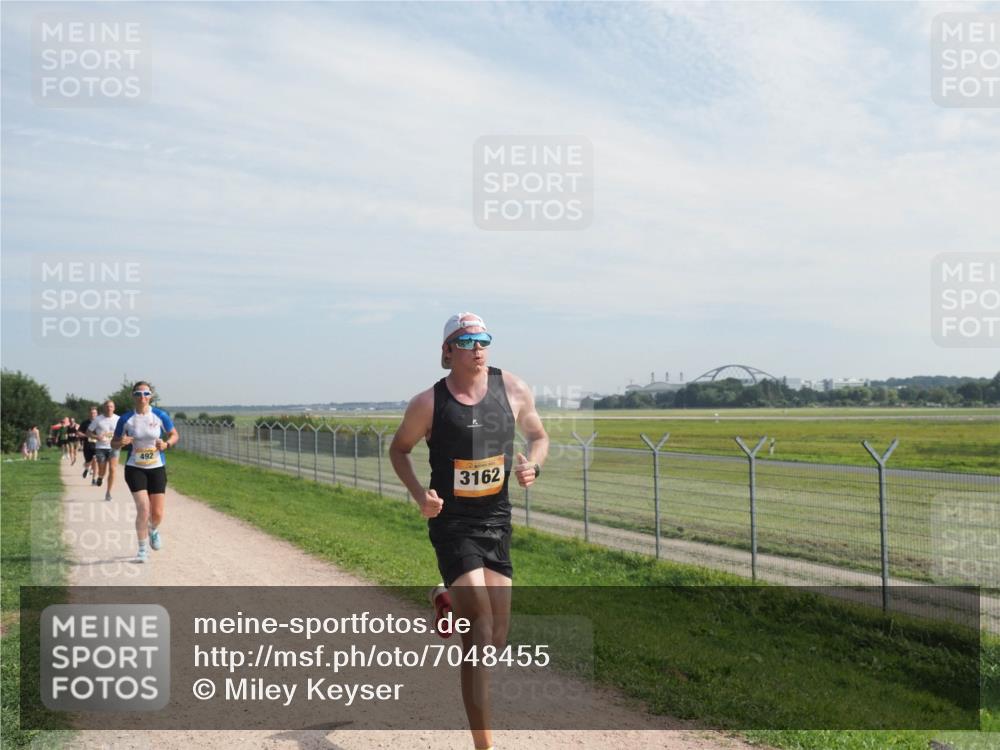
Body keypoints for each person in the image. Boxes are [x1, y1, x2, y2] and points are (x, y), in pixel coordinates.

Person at [389, 312, 548, 750]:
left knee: (496, 638)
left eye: (484, 339)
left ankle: (445, 597)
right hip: (452, 524)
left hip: (496, 522)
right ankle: (485, 747)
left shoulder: (513, 388)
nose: (478, 347)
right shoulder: (428, 403)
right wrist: (421, 495)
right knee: (477, 632)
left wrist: (533, 464)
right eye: (467, 340)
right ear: (448, 350)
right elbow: (399, 450)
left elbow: (540, 436)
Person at [111, 382, 179, 563]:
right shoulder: (125, 419)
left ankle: (153, 530)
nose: (142, 397)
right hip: (135, 468)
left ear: (151, 396)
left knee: (157, 514)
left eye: (146, 393)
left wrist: (167, 444)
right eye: (138, 393)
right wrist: (121, 442)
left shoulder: (160, 415)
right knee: (144, 508)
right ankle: (142, 550)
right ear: (133, 396)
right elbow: (114, 443)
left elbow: (174, 434)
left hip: (156, 467)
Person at [90, 400, 120, 501]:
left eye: (111, 406)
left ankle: (108, 493)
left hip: (114, 447)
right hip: (101, 447)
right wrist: (96, 437)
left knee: (112, 469)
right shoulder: (98, 419)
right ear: (104, 408)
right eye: (107, 406)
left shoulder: (118, 419)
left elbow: (124, 431)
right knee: (102, 469)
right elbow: (88, 432)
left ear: (114, 408)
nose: (109, 408)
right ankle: (100, 477)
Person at [77, 407, 99, 482]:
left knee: (95, 460)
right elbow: (78, 433)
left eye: (94, 413)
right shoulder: (85, 423)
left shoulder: (100, 423)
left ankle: (94, 479)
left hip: (97, 445)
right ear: (89, 414)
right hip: (87, 445)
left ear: (97, 414)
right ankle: (86, 469)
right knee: (88, 461)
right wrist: (87, 435)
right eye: (91, 413)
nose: (93, 414)